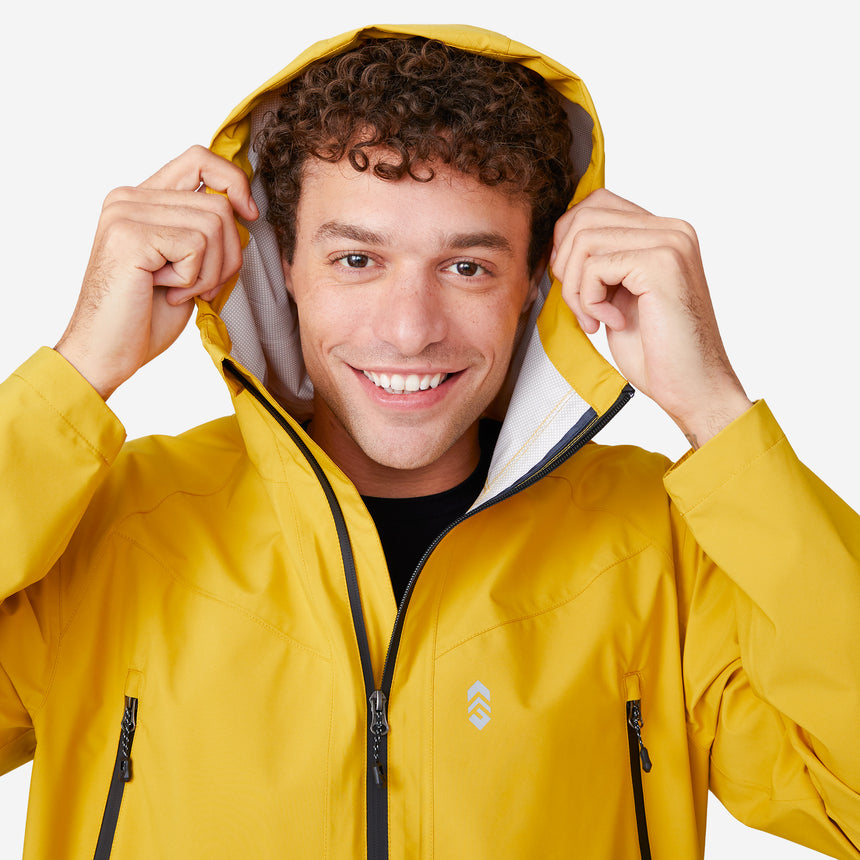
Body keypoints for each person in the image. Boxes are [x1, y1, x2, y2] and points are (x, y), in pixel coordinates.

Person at [1, 23, 858, 859]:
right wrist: (78, 371)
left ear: (534, 283)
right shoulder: (108, 527)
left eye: (467, 267)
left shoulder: (664, 548)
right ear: (282, 265)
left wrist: (714, 407)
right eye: (357, 260)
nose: (410, 331)